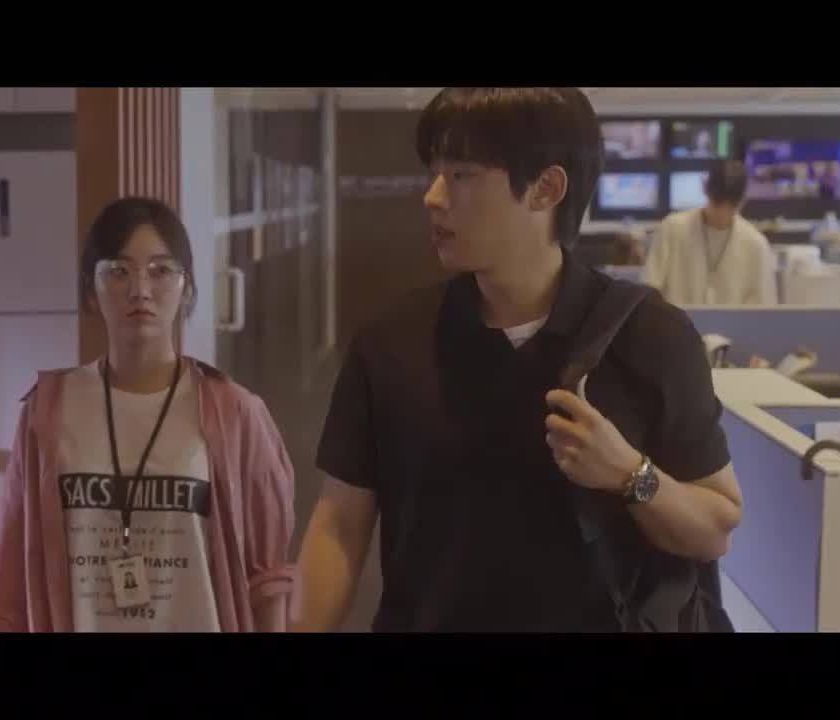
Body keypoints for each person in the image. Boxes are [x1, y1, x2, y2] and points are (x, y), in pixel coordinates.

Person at [293, 88, 744, 632]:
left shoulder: (652, 336)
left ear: (545, 188)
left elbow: (714, 529)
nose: (433, 196)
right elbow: (340, 525)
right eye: (434, 173)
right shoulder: (391, 342)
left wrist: (630, 474)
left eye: (461, 174)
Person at [0, 196, 296, 633]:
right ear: (91, 290)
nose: (140, 290)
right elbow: (5, 575)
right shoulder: (47, 412)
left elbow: (267, 579)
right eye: (119, 271)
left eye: (161, 270)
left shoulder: (236, 413)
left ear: (187, 288)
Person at [644, 160, 778, 306]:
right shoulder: (673, 229)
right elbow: (650, 288)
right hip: (675, 320)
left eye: (729, 208)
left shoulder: (755, 244)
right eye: (717, 205)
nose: (721, 215)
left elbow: (763, 306)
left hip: (731, 322)